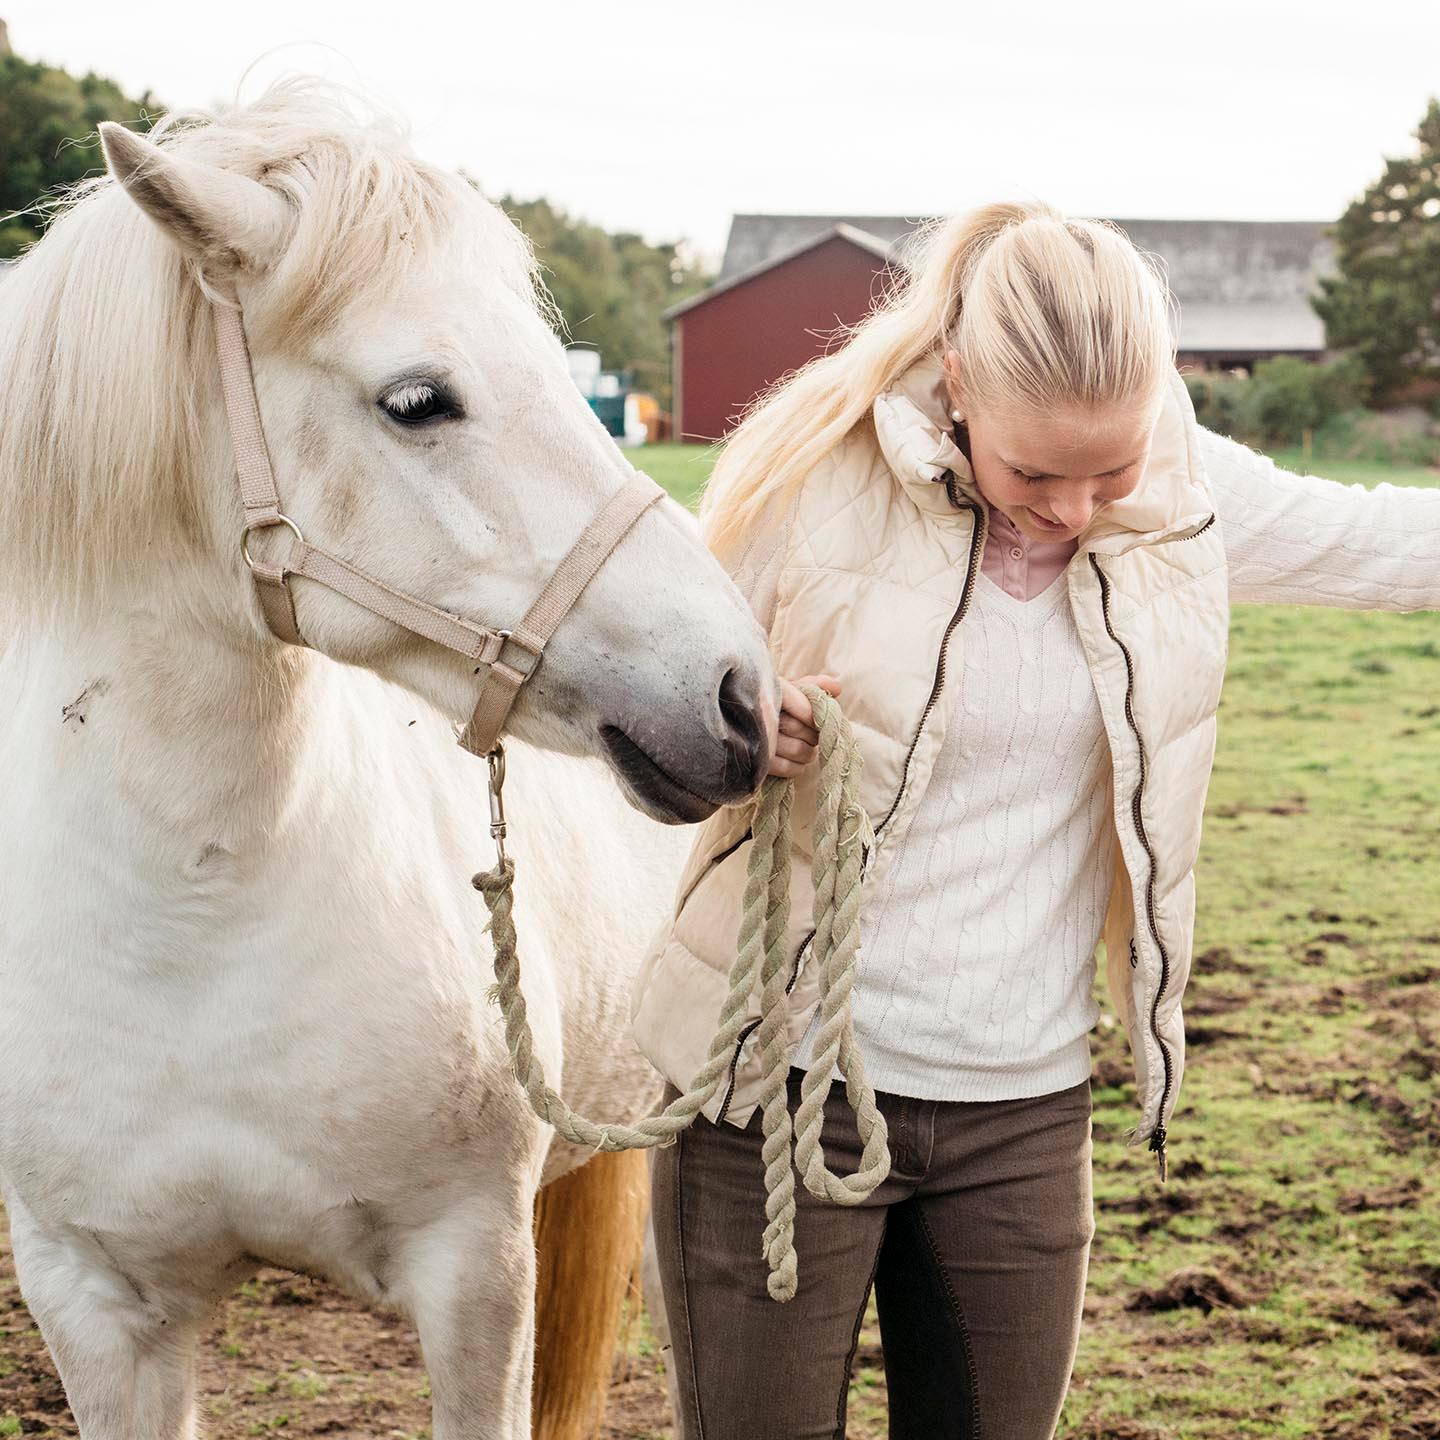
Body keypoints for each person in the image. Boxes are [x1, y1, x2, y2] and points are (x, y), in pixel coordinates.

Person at [630, 200, 1440, 1440]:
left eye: (1107, 470)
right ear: (958, 387)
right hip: (776, 1094)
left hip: (1023, 1108)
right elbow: (654, 720)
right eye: (1035, 474)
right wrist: (751, 737)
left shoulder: (1181, 490)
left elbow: (1387, 543)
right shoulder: (813, 479)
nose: (1074, 507)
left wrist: (1120, 479)